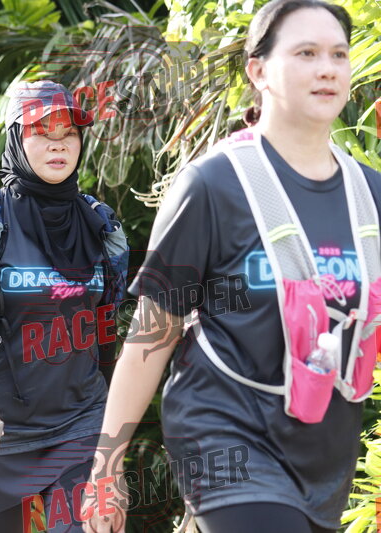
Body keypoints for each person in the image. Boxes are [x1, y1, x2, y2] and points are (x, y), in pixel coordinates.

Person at [82, 2, 380, 532]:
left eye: (338, 54)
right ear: (258, 70)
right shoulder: (213, 186)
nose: (328, 68)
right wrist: (107, 466)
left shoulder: (370, 195)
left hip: (323, 455)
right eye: (306, 53)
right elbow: (153, 332)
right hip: (222, 437)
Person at [0, 80, 127, 533]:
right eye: (42, 132)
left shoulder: (99, 224)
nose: (58, 145)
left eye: (69, 133)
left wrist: (109, 429)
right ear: (16, 140)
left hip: (80, 426)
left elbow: (106, 327)